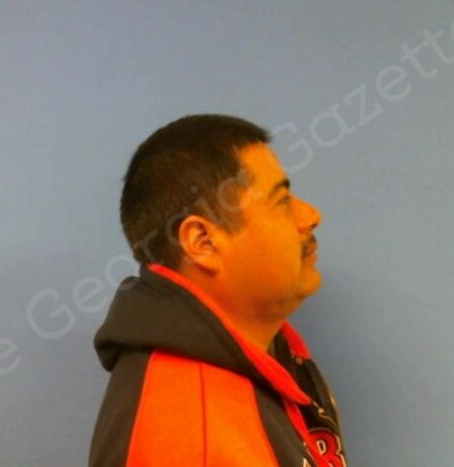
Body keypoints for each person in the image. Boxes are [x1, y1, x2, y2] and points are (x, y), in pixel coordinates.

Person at [89, 114, 347, 466]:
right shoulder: (192, 439)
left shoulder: (262, 351)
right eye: (281, 201)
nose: (311, 215)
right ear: (203, 242)